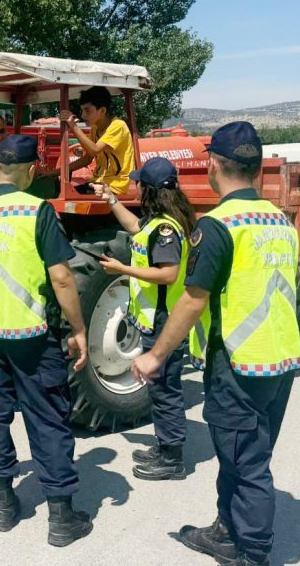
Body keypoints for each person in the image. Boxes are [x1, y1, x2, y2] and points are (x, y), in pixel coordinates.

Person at [131, 121, 300, 566]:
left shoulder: (221, 226)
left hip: (240, 363)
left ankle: (252, 552)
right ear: (257, 166)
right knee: (240, 452)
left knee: (248, 463)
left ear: (213, 165)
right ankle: (226, 528)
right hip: (280, 359)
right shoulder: (280, 222)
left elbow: (191, 299)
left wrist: (155, 355)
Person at [0, 134, 92, 548]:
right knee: (46, 417)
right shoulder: (37, 211)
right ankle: (62, 518)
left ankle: (4, 506)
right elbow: (62, 276)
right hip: (32, 335)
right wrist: (79, 329)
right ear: (31, 171)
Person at [92, 157, 198, 481]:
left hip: (166, 319)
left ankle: (173, 459)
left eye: (138, 183)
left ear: (148, 189)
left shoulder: (166, 228)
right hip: (155, 320)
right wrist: (110, 199)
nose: (134, 187)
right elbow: (134, 228)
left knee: (166, 389)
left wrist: (122, 269)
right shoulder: (157, 222)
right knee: (158, 388)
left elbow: (167, 274)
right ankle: (165, 446)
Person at [58, 87, 136, 196]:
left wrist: (73, 126)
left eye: (87, 110)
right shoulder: (95, 129)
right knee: (61, 193)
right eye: (82, 110)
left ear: (103, 110)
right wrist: (57, 172)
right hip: (98, 183)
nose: (83, 115)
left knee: (69, 198)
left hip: (115, 186)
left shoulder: (118, 126)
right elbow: (87, 159)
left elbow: (94, 150)